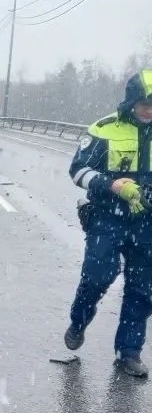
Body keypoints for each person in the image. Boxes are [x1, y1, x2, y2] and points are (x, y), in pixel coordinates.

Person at [64, 69, 152, 377]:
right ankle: (79, 319)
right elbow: (78, 171)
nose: (149, 110)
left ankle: (128, 352)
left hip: (147, 224)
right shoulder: (104, 130)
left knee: (143, 290)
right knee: (98, 276)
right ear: (131, 101)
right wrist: (111, 185)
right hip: (107, 218)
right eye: (144, 103)